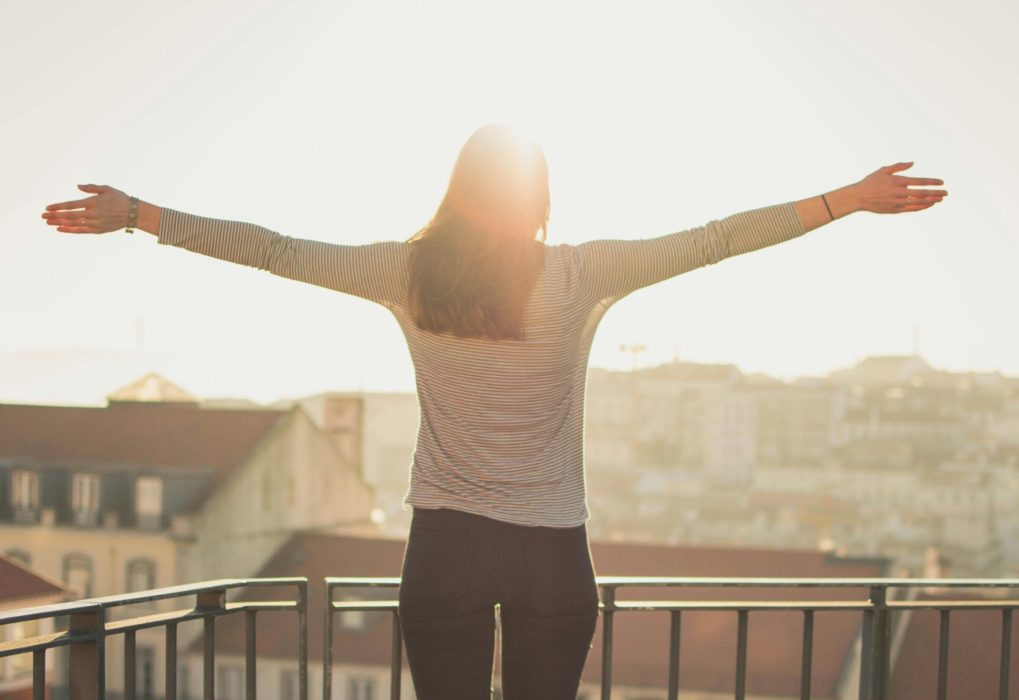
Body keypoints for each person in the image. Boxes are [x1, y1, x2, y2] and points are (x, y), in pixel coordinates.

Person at [41, 124, 947, 699]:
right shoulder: (580, 273)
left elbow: (275, 251)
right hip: (553, 551)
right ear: (540, 198)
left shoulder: (405, 272)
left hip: (444, 548)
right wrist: (846, 202)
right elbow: (712, 241)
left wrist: (139, 215)